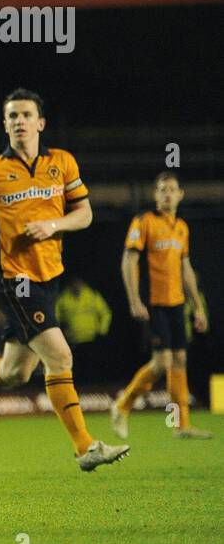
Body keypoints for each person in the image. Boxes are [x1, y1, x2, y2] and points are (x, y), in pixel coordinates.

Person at [0, 88, 128, 471]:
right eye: (12, 116)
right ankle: (85, 448)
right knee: (60, 356)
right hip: (14, 281)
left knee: (14, 372)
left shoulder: (62, 163)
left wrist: (53, 223)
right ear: (5, 125)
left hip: (48, 278)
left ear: (40, 123)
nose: (19, 121)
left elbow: (84, 213)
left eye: (26, 115)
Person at [113, 172, 211, 439]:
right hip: (153, 301)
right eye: (162, 190)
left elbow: (185, 268)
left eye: (171, 189)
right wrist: (134, 299)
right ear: (155, 195)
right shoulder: (144, 222)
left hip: (176, 303)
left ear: (181, 195)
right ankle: (122, 406)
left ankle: (182, 426)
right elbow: (129, 261)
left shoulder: (181, 227)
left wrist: (198, 307)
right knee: (162, 362)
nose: (167, 194)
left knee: (179, 359)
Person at [54, 275, 112, 383]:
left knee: (93, 364)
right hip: (73, 339)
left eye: (79, 283)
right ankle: (78, 385)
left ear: (83, 283)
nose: (76, 286)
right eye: (74, 283)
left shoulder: (93, 296)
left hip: (92, 338)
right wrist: (60, 333)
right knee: (75, 366)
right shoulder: (63, 299)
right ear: (70, 284)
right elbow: (55, 318)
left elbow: (105, 313)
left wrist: (102, 330)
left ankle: (95, 384)